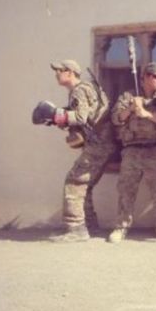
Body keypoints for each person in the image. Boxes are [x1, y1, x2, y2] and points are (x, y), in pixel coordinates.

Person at [108, 62, 156, 243]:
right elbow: (116, 118)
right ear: (145, 77)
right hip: (132, 150)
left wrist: (146, 114)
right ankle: (121, 227)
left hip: (155, 149)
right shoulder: (129, 96)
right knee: (126, 191)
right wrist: (131, 108)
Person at [50, 59, 115, 242]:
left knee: (74, 182)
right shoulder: (84, 89)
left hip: (98, 145)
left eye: (59, 70)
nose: (56, 74)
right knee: (85, 185)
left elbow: (80, 117)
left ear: (70, 72)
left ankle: (76, 229)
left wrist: (57, 115)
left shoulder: (79, 90)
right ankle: (90, 227)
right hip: (102, 144)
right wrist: (60, 120)